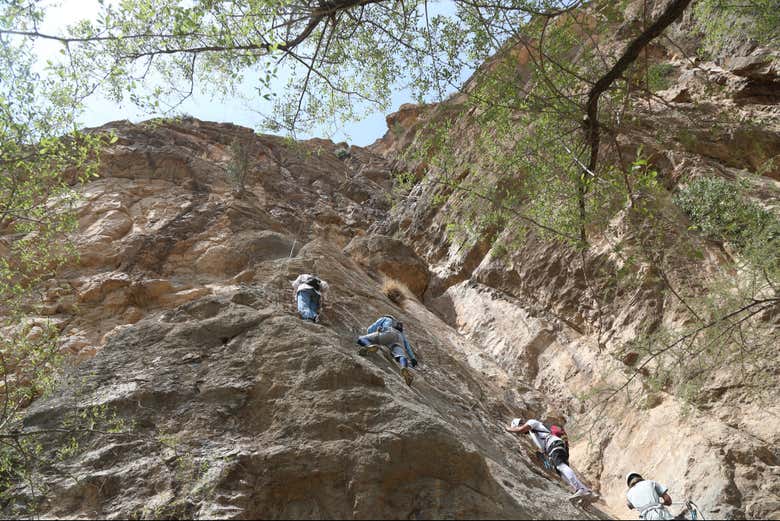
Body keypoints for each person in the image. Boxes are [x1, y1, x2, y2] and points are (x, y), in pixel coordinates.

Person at [506, 418, 596, 503]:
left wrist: (508, 429)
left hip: (554, 443)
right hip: (552, 448)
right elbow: (542, 450)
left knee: (560, 466)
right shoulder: (533, 435)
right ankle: (587, 493)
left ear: (519, 424)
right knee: (561, 473)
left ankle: (581, 489)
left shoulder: (532, 422)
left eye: (518, 428)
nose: (521, 433)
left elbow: (520, 430)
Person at [357, 315, 417, 386]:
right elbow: (407, 346)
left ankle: (369, 346)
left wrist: (372, 334)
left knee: (361, 338)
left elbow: (370, 329)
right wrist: (413, 358)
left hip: (388, 331)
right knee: (400, 355)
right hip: (398, 339)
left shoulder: (386, 318)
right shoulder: (402, 333)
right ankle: (404, 367)